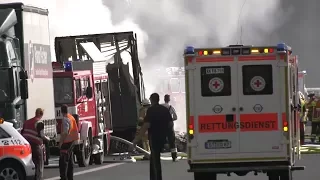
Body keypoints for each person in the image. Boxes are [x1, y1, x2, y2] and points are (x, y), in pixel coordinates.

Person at [132, 93, 173, 180]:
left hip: (154, 137)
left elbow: (146, 125)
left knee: (155, 160)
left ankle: (157, 178)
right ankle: (154, 177)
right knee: (154, 159)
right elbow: (170, 124)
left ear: (152, 100)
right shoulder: (164, 110)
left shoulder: (150, 110)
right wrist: (169, 137)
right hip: (163, 137)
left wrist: (136, 139)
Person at [21, 108, 50, 180]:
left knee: (32, 164)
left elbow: (22, 132)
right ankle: (38, 178)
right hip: (36, 146)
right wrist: (48, 139)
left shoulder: (27, 122)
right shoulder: (39, 122)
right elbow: (42, 135)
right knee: (39, 164)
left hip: (27, 146)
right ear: (41, 114)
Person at [59, 104, 79, 180]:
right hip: (72, 141)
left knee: (63, 161)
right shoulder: (71, 117)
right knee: (70, 160)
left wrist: (61, 142)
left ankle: (64, 178)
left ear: (61, 111)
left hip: (66, 142)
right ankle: (70, 177)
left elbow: (65, 132)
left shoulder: (65, 119)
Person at [161, 94, 178, 161]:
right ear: (169, 100)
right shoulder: (171, 107)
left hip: (161, 126)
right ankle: (174, 156)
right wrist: (170, 119)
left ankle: (158, 154)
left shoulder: (160, 106)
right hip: (169, 127)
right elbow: (175, 117)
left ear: (164, 99)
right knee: (172, 141)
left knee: (160, 140)